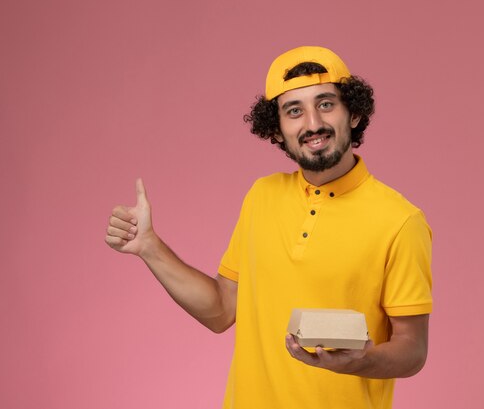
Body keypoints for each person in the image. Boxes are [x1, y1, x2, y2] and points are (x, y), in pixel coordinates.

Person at [105, 46, 433, 409]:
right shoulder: (262, 196)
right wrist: (150, 247)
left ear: (353, 113)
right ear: (276, 131)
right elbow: (221, 311)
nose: (312, 124)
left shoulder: (400, 220)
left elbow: (413, 350)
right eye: (294, 111)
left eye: (326, 104)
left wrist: (360, 360)